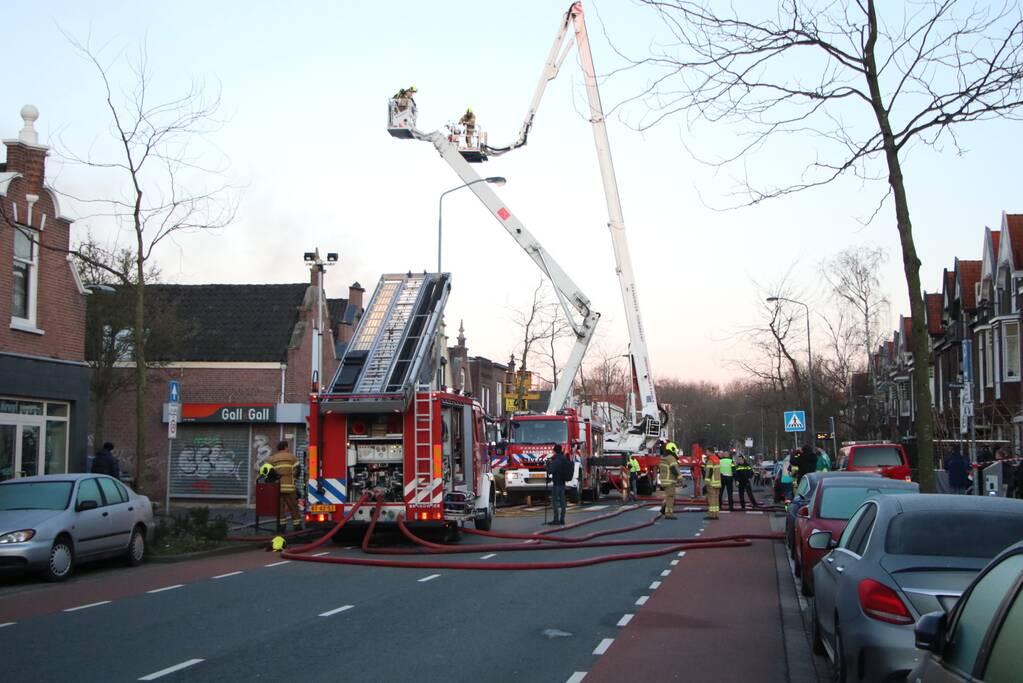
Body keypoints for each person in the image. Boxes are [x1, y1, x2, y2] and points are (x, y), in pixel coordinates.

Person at [269, 440, 301, 531]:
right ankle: (297, 526)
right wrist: (294, 479)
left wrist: (275, 480)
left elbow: (270, 472)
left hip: (278, 488)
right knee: (293, 507)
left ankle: (282, 527)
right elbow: (298, 469)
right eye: (288, 447)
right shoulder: (291, 457)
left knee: (280, 509)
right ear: (286, 447)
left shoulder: (273, 458)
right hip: (290, 487)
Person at [546, 444, 571, 525]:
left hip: (556, 483)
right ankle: (562, 519)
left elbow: (550, 471)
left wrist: (547, 466)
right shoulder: (564, 458)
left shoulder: (556, 460)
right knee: (563, 502)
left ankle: (556, 519)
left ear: (555, 451)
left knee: (555, 502)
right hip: (563, 483)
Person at [659, 443, 680, 519]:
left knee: (668, 497)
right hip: (670, 481)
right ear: (672, 449)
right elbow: (674, 469)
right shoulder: (671, 458)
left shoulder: (664, 458)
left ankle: (663, 509)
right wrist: (680, 478)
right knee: (670, 498)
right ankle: (669, 514)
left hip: (664, 481)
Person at [704, 451, 722, 520]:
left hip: (711, 482)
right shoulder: (717, 459)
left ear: (709, 451)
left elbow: (709, 471)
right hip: (717, 483)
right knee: (716, 499)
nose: (706, 453)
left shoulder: (710, 460)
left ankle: (711, 515)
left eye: (707, 452)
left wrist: (707, 481)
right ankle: (716, 514)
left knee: (711, 499)